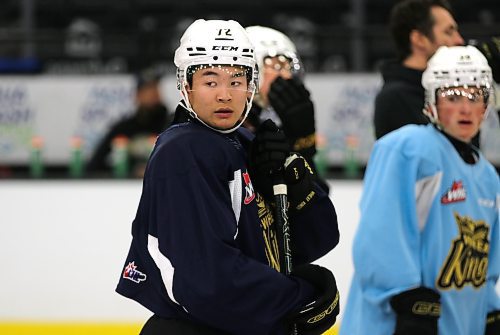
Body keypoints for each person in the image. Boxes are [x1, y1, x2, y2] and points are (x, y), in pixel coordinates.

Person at [116, 19, 340, 335]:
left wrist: (296, 177)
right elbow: (208, 280)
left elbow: (315, 239)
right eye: (211, 81)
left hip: (238, 321)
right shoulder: (184, 151)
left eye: (236, 81)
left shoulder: (243, 142)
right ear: (185, 85)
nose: (225, 95)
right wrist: (298, 298)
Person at [340, 45, 499, 335]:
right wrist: (407, 297)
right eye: (452, 96)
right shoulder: (407, 148)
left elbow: (485, 257)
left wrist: (489, 309)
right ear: (431, 101)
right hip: (393, 323)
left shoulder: (488, 176)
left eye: (475, 96)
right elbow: (381, 230)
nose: (465, 108)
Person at [244, 26, 329, 192]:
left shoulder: (267, 125)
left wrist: (301, 141)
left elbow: (314, 196)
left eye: (288, 66)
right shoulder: (232, 130)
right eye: (275, 65)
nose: (286, 76)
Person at [373, 0, 465, 141]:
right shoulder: (396, 98)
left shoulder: (444, 88)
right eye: (449, 32)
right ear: (419, 39)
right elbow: (451, 154)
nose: (459, 40)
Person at [86, 68, 173, 177]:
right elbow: (95, 165)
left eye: (155, 88)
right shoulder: (124, 128)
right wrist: (130, 173)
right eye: (147, 89)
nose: (153, 93)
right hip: (127, 189)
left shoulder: (171, 125)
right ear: (137, 95)